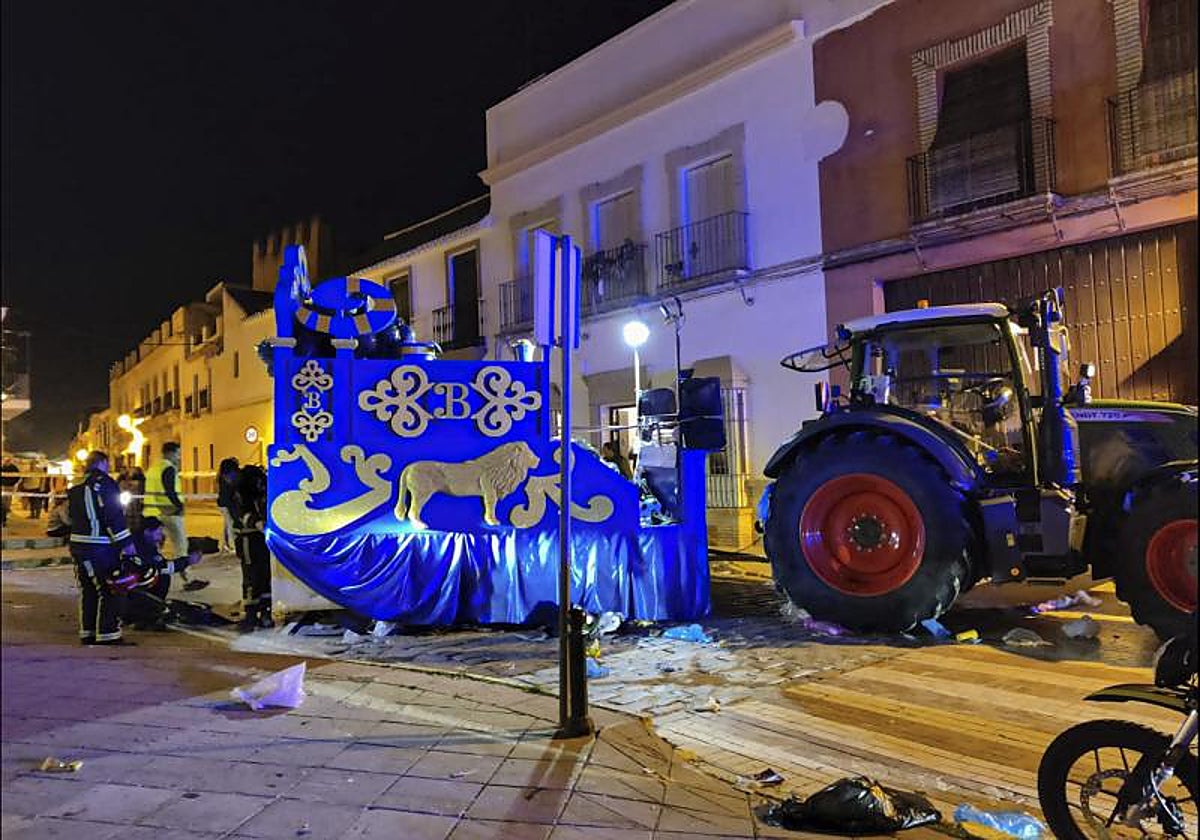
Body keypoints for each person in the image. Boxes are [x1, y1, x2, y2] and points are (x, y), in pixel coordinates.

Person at [68, 450, 136, 645]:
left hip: (79, 544)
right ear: (103, 463)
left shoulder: (76, 485)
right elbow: (113, 516)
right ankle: (108, 634)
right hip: (98, 545)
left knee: (89, 590)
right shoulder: (105, 484)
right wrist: (126, 543)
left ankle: (88, 632)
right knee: (110, 588)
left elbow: (70, 516)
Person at [121, 516, 203, 630]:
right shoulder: (141, 547)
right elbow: (161, 567)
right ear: (147, 532)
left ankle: (146, 612)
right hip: (130, 592)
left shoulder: (141, 542)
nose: (161, 535)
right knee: (162, 577)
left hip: (129, 590)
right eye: (158, 532)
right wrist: (187, 561)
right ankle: (144, 614)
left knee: (159, 576)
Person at [231, 465, 273, 631]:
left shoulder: (263, 491)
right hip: (249, 539)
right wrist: (256, 522)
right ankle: (251, 614)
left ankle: (264, 612)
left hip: (262, 539)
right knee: (252, 576)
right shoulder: (242, 493)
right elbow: (243, 515)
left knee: (265, 575)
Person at [143, 442, 187, 559]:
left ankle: (154, 566)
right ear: (170, 453)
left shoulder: (153, 468)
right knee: (180, 543)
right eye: (178, 454)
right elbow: (170, 491)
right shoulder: (169, 468)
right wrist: (179, 506)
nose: (179, 457)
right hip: (170, 511)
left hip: (153, 511)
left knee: (155, 543)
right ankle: (182, 568)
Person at [216, 457, 240, 554]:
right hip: (228, 504)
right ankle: (232, 545)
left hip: (222, 503)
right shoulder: (230, 476)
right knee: (230, 525)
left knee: (227, 524)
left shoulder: (221, 476)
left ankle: (226, 544)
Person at [0, 459, 18, 527]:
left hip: (9, 486)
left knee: (6, 501)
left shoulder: (14, 467)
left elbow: (17, 477)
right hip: (3, 485)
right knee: (4, 501)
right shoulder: (2, 467)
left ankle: (6, 512)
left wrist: (12, 483)